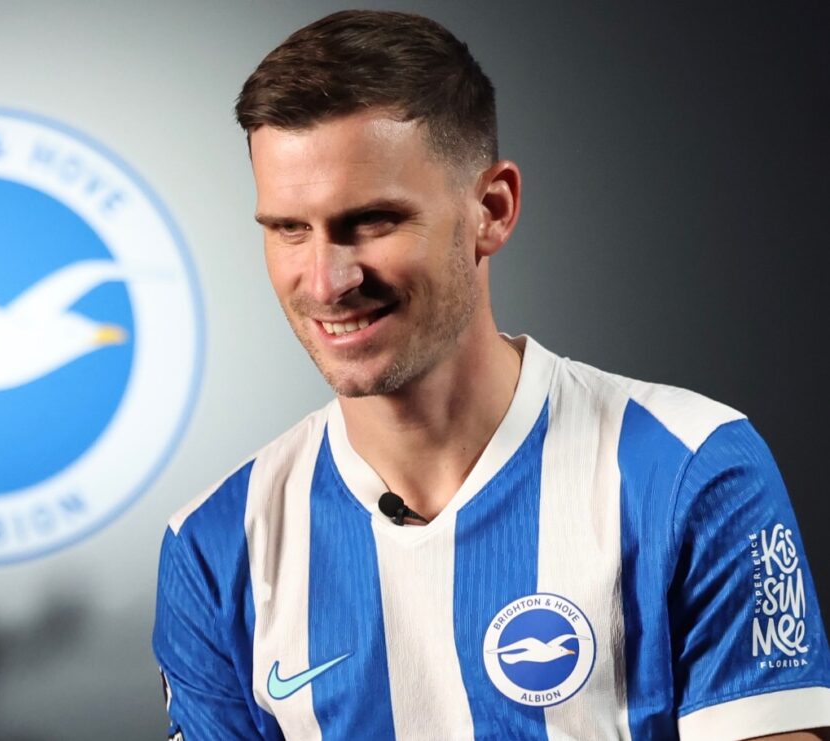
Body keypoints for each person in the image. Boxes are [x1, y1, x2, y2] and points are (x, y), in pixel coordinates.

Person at [152, 9, 830, 739]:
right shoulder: (216, 546)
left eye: (373, 221)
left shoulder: (691, 469)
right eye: (290, 228)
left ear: (492, 210)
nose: (326, 280)